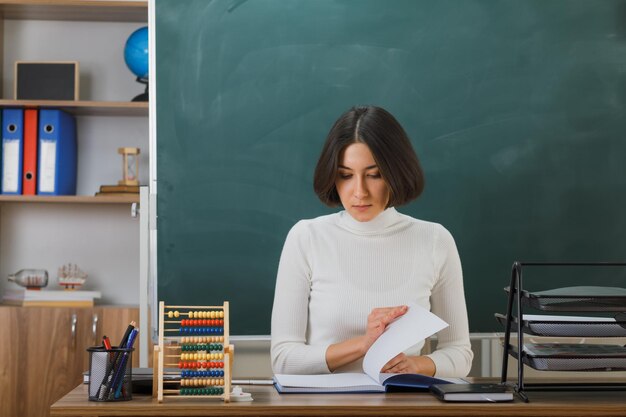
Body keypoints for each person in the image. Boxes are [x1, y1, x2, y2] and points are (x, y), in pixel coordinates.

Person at [270, 105, 473, 377]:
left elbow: (459, 352)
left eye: (374, 175)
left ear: (395, 172)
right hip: (322, 408)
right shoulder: (306, 238)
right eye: (345, 175)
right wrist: (363, 345)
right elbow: (283, 359)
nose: (359, 192)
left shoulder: (435, 240)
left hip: (402, 404)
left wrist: (416, 365)